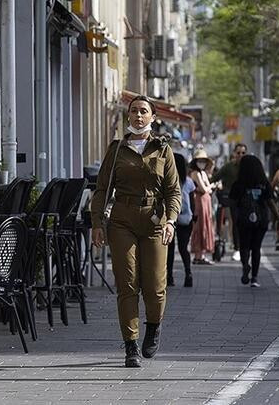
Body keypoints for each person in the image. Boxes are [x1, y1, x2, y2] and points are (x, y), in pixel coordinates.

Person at [91, 95, 181, 368]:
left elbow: (173, 190)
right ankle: (131, 345)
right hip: (122, 221)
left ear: (153, 117)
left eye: (144, 111)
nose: (138, 116)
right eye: (134, 111)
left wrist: (171, 221)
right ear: (127, 116)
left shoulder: (163, 149)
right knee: (127, 284)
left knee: (155, 286)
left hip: (155, 221)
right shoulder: (117, 149)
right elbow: (102, 189)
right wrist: (97, 223)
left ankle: (153, 327)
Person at [230, 155, 279, 287]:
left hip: (244, 219)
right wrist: (278, 218)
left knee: (244, 246)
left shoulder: (238, 184)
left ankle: (246, 265)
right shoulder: (264, 183)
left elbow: (233, 203)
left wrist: (234, 220)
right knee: (256, 248)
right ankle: (254, 278)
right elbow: (270, 202)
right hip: (261, 219)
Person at [211, 143, 247, 260]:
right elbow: (215, 177)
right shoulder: (228, 167)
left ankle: (247, 247)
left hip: (248, 200)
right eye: (238, 153)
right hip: (233, 200)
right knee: (236, 223)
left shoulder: (250, 166)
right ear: (234, 154)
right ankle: (237, 249)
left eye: (243, 153)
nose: (240, 155)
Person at [167, 153, 195, 288]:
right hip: (186, 219)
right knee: (184, 248)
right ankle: (188, 273)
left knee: (169, 248)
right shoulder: (188, 181)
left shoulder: (167, 179)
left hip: (169, 219)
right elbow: (193, 203)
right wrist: (194, 218)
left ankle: (169, 277)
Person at [189, 149, 216, 264]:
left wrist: (210, 187)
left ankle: (202, 254)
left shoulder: (203, 173)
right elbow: (204, 189)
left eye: (203, 161)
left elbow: (207, 187)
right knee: (200, 226)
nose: (202, 163)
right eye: (199, 161)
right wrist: (212, 186)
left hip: (206, 202)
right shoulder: (194, 173)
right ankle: (198, 255)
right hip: (199, 202)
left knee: (206, 225)